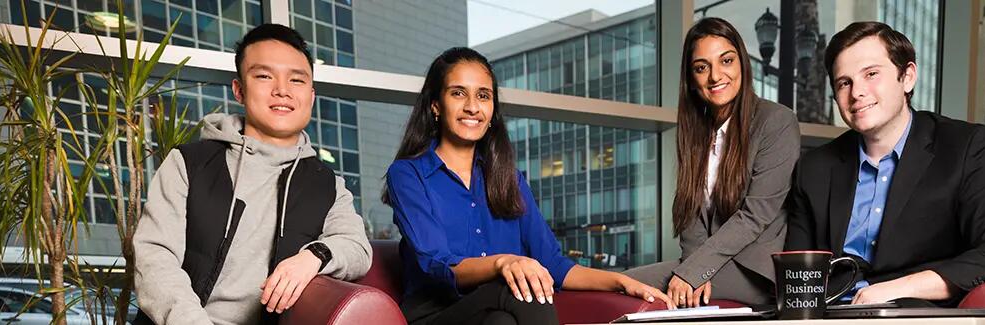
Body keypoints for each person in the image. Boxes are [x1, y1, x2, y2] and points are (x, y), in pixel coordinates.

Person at [383, 47, 670, 325]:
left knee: (501, 320)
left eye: (483, 95)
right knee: (521, 286)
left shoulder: (509, 179)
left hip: (495, 310)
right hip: (434, 314)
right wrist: (503, 263)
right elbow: (436, 264)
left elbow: (553, 264)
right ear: (436, 105)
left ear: (492, 109)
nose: (472, 106)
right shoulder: (408, 174)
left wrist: (621, 281)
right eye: (458, 93)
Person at [133, 24, 372, 324]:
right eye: (264, 76)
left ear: (311, 97)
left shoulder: (326, 184)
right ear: (239, 90)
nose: (282, 90)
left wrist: (313, 257)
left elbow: (357, 248)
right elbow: (155, 259)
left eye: (296, 80)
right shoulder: (188, 164)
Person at [784, 21, 985, 305]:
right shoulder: (814, 168)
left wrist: (899, 288)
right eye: (844, 83)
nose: (857, 93)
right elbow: (798, 276)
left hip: (915, 313)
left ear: (908, 77)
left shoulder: (964, 147)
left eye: (872, 74)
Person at [623, 17, 802, 308]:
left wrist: (696, 271)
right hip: (713, 265)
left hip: (755, 270)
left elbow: (755, 217)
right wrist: (696, 269)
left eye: (726, 60)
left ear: (742, 63)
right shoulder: (697, 133)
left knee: (633, 291)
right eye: (701, 67)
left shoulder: (776, 121)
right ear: (691, 80)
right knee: (624, 285)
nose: (715, 76)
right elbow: (691, 211)